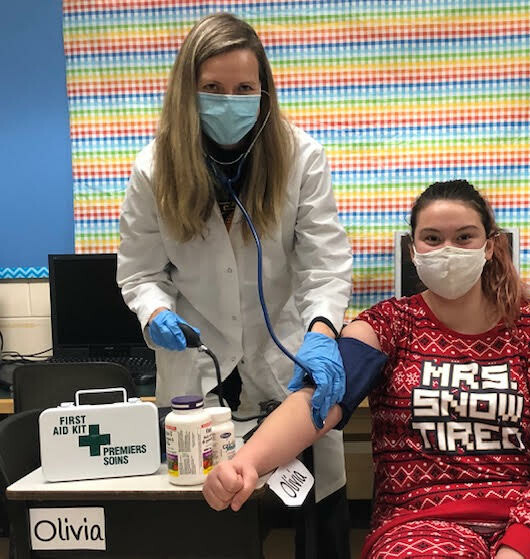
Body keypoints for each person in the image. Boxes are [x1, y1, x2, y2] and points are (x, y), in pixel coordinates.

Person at [202, 179, 530, 559]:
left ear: (490, 246)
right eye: (432, 239)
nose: (447, 249)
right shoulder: (388, 325)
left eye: (464, 237)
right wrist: (248, 463)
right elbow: (319, 400)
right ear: (413, 250)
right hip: (421, 525)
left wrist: (518, 547)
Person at [116, 13, 352, 558]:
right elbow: (140, 272)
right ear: (187, 92)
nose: (231, 100)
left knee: (312, 528)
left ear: (264, 90)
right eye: (213, 89)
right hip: (199, 379)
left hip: (287, 366)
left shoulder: (299, 157)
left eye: (245, 88)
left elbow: (326, 265)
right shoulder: (156, 169)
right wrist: (154, 312)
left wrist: (321, 331)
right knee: (212, 529)